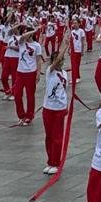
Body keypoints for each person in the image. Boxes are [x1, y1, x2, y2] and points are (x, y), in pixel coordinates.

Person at [41, 44, 72, 175]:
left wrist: (65, 106)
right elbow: (56, 61)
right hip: (48, 108)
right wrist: (64, 45)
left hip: (59, 108)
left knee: (57, 136)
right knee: (49, 136)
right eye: (57, 60)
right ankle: (50, 161)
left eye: (61, 60)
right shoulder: (50, 71)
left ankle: (56, 162)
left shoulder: (64, 74)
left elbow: (64, 91)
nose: (60, 62)